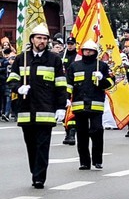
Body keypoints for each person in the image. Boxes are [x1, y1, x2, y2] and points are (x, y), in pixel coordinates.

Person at [7, 24, 68, 188]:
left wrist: (61, 106)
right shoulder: (21, 58)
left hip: (45, 110)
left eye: (44, 38)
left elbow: (60, 84)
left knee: (43, 145)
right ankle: (35, 171)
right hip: (26, 110)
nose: (41, 41)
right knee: (31, 145)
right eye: (39, 38)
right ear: (32, 39)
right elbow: (11, 79)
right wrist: (18, 87)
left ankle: (39, 177)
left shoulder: (54, 59)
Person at [68, 40, 113, 169]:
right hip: (79, 105)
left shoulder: (102, 66)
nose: (88, 52)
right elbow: (69, 84)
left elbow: (111, 83)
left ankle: (97, 160)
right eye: (86, 50)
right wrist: (65, 98)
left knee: (97, 131)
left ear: (95, 52)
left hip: (96, 105)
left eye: (90, 50)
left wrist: (102, 79)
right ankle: (84, 162)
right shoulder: (74, 66)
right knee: (81, 135)